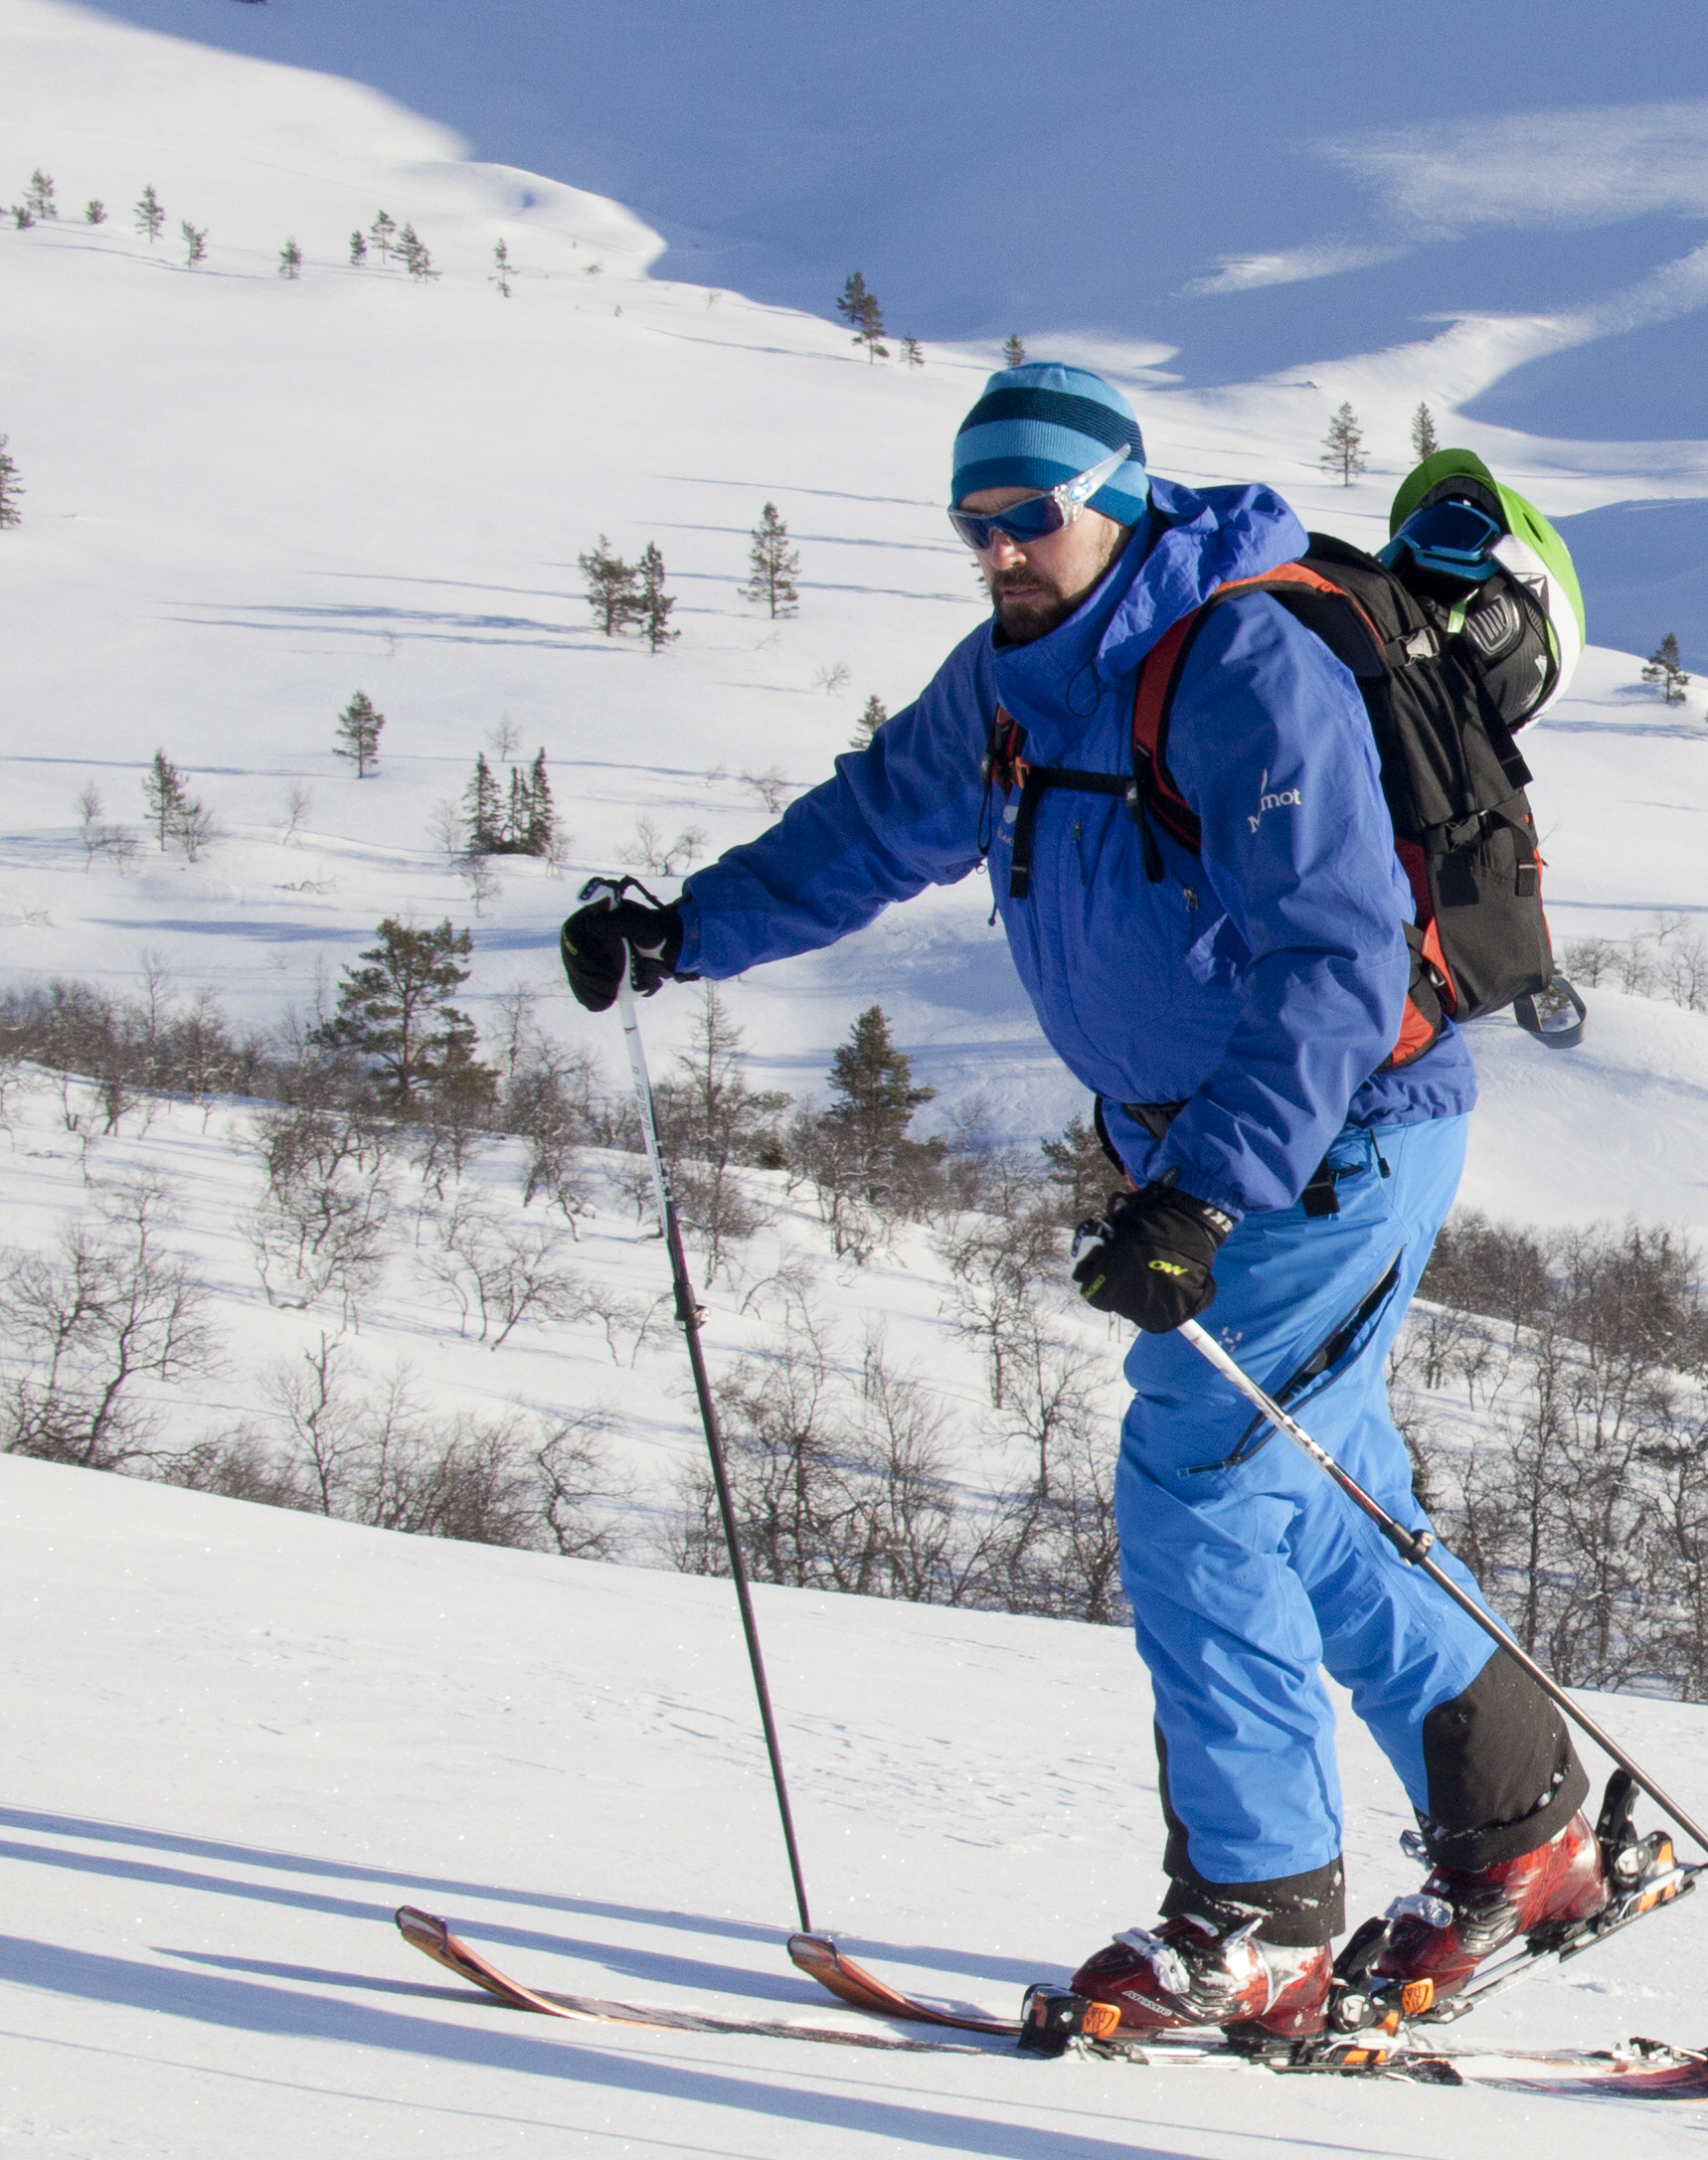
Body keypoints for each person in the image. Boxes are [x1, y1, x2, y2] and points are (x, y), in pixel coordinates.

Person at [555, 364, 1598, 2039]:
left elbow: (1333, 966)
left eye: (1029, 516)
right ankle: (1528, 1831)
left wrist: (1200, 1192)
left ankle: (1260, 1920)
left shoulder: (1238, 664)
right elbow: (871, 829)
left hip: (1331, 1136)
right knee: (1314, 1493)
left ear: (1114, 499)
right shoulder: (1015, 684)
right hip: (1223, 1151)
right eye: (974, 523)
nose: (1000, 549)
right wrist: (687, 926)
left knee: (1196, 1474)